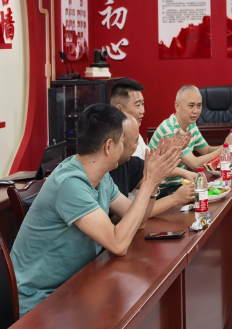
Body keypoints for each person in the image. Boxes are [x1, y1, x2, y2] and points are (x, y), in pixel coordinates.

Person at [10, 104, 185, 316]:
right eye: (122, 141)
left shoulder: (101, 176)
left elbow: (138, 220)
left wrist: (154, 182)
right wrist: (148, 182)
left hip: (78, 284)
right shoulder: (70, 183)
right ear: (109, 146)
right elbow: (118, 244)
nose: (126, 147)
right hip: (40, 301)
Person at [149, 85, 232, 198]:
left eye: (199, 105)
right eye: (191, 105)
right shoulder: (170, 130)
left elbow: (207, 150)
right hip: (159, 190)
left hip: (179, 185)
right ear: (177, 106)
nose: (196, 111)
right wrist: (225, 149)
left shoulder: (191, 125)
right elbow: (194, 164)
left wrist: (226, 145)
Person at [110, 112, 195, 208]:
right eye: (135, 141)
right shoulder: (105, 175)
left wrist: (163, 165)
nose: (138, 145)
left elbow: (151, 172)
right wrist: (175, 198)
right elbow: (129, 213)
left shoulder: (127, 162)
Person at [110, 78, 147, 159]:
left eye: (143, 104)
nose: (142, 111)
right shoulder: (111, 142)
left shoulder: (136, 135)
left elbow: (150, 159)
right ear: (119, 109)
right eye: (137, 105)